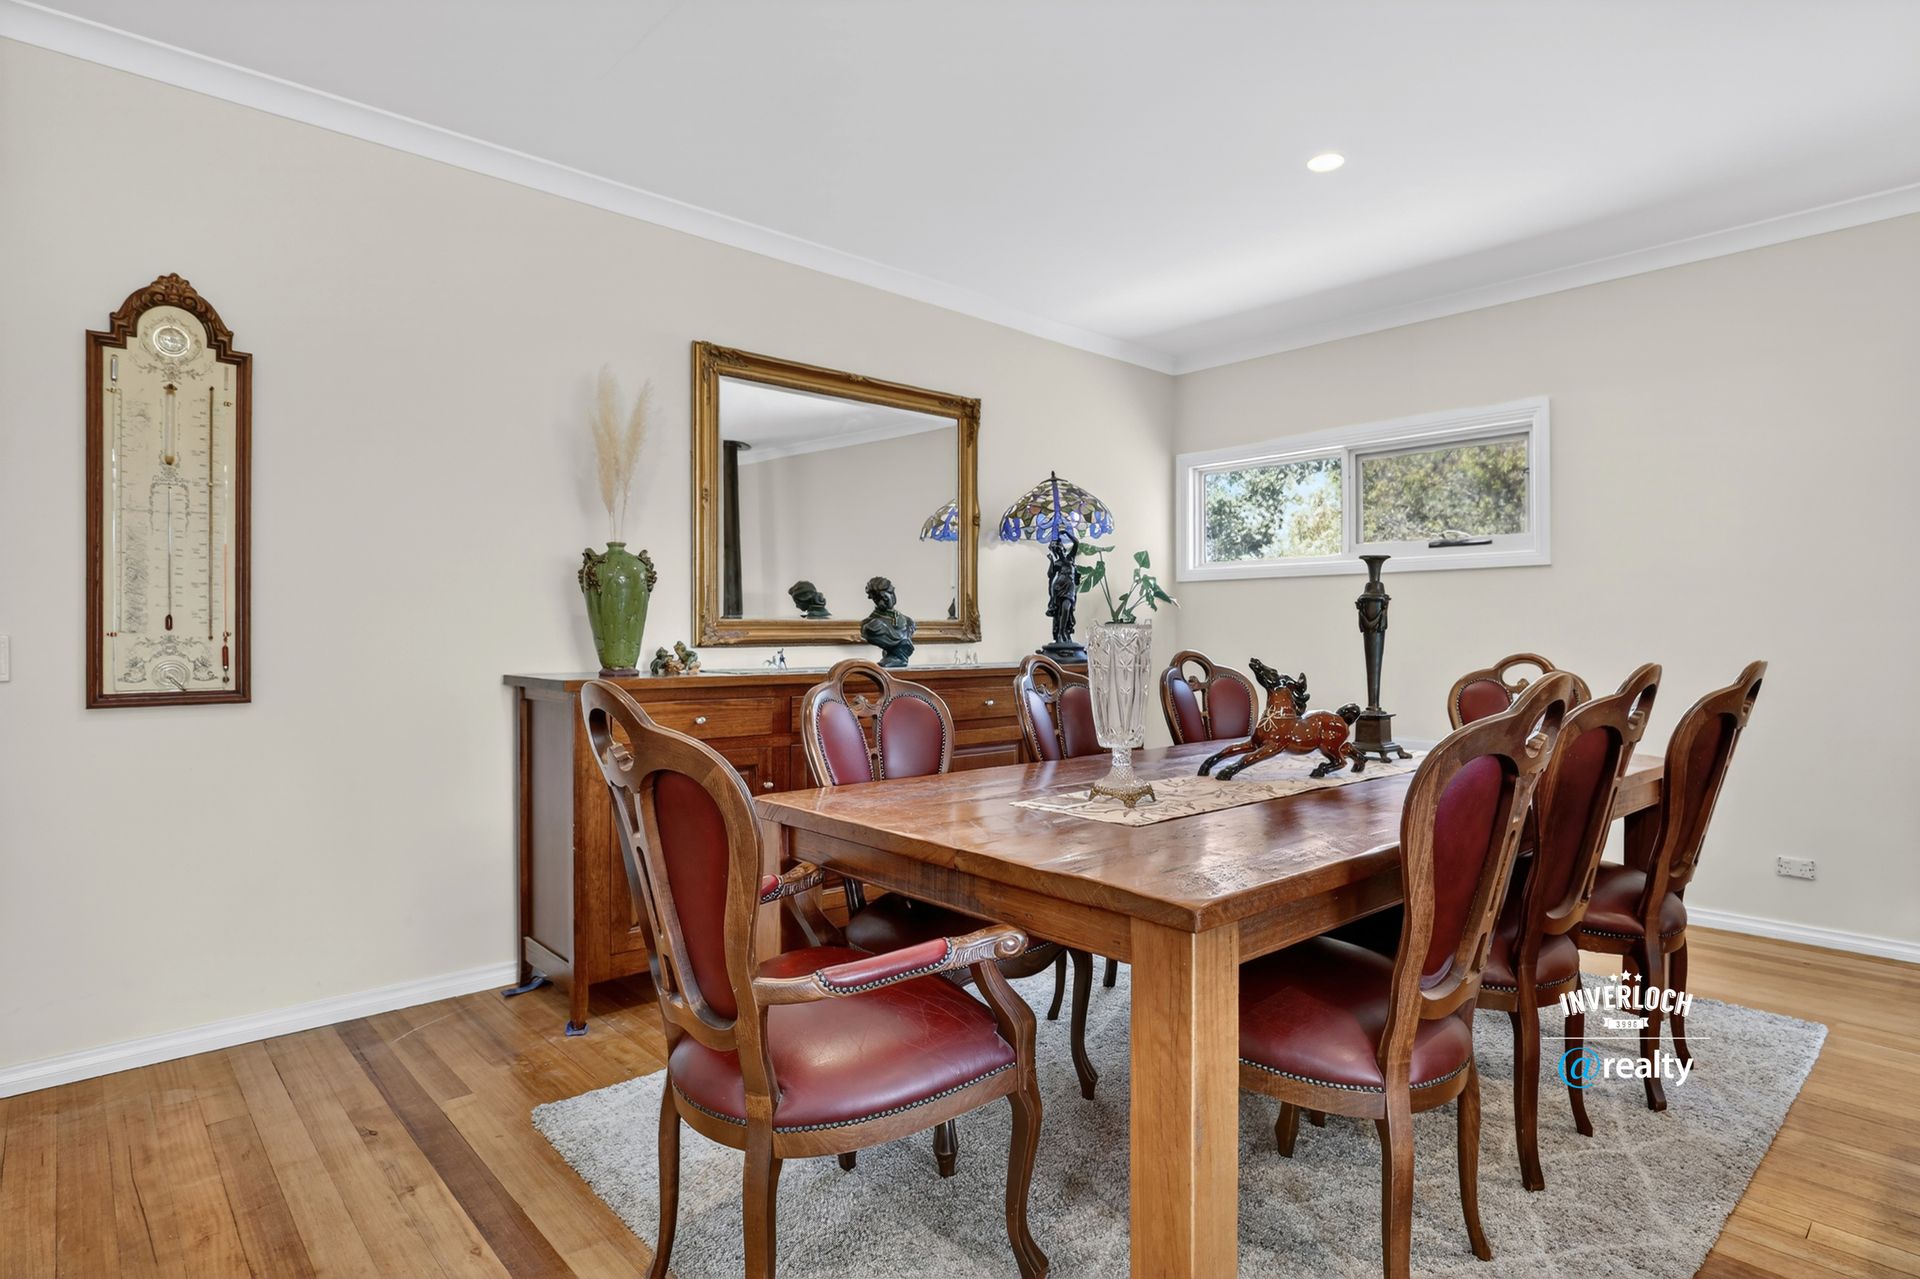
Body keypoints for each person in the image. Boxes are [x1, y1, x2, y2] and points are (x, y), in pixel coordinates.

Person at [859, 576, 916, 667]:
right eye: (884, 596)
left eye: (891, 592)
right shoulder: (871, 626)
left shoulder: (908, 621)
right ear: (875, 599)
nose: (890, 597)